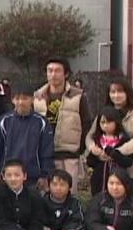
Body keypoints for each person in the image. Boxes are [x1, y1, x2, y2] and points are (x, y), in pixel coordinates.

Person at [34, 57, 91, 194]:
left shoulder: (78, 96)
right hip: (44, 155)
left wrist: (80, 148)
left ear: (66, 74)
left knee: (69, 194)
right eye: (50, 71)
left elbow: (86, 123)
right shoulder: (38, 96)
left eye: (57, 71)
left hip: (69, 154)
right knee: (45, 194)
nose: (53, 74)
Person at [86, 77, 133, 198]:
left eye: (120, 91)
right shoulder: (105, 112)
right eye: (112, 92)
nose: (116, 95)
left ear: (127, 92)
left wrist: (116, 152)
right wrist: (93, 148)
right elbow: (90, 135)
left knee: (131, 203)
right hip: (105, 171)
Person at [0, 83, 55, 192]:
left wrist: (45, 175)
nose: (21, 102)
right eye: (17, 98)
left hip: (33, 179)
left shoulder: (41, 122)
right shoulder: (3, 121)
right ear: (12, 100)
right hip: (8, 178)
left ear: (32, 99)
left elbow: (47, 151)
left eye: (25, 98)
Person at [85, 106, 133, 196]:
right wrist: (95, 154)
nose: (105, 125)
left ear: (116, 122)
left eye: (109, 122)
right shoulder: (97, 140)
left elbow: (128, 161)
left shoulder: (123, 140)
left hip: (118, 183)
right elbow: (90, 162)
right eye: (102, 122)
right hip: (99, 182)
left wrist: (113, 154)